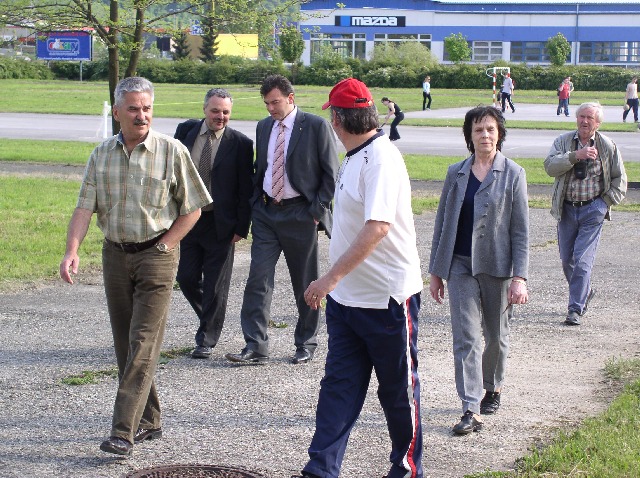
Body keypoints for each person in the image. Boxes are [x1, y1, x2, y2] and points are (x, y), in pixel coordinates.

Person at [59, 77, 211, 456]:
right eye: (133, 109)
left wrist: (167, 244)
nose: (141, 115)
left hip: (157, 255)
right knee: (126, 344)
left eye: (146, 108)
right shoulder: (101, 155)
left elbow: (193, 208)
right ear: (117, 112)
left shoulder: (172, 150)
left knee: (143, 341)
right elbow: (84, 207)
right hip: (115, 255)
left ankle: (122, 432)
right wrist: (72, 250)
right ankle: (150, 420)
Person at [294, 77, 424, 478]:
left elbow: (378, 227)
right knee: (339, 387)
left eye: (331, 116)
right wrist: (337, 286)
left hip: (387, 300)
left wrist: (328, 279)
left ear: (337, 119)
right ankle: (321, 469)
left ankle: (407, 468)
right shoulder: (353, 155)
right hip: (347, 302)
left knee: (397, 391)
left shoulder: (382, 158)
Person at [428, 106, 529, 435]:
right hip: (460, 265)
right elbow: (442, 223)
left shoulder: (513, 173)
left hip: (498, 267)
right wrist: (436, 272)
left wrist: (519, 277)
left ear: (499, 134)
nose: (484, 135)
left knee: (496, 336)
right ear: (469, 136)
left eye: (490, 129)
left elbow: (520, 231)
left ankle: (492, 387)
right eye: (478, 130)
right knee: (466, 337)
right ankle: (470, 407)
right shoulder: (456, 173)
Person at [225, 74, 339, 365]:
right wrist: (255, 203)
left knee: (305, 281)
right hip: (266, 212)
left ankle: (306, 342)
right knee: (258, 279)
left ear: (290, 98)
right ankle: (255, 345)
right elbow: (261, 167)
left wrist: (317, 211)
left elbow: (331, 174)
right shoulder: (264, 126)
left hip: (301, 214)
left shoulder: (315, 126)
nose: (270, 108)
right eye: (266, 103)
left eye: (275, 102)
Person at [174, 88, 254, 359]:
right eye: (215, 111)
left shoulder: (240, 144)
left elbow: (245, 189)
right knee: (186, 278)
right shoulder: (185, 131)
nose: (221, 116)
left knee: (215, 285)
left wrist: (241, 227)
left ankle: (206, 340)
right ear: (204, 109)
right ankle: (211, 317)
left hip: (221, 223)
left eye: (226, 112)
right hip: (188, 219)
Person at [544, 102, 627, 326]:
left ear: (598, 123)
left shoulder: (607, 146)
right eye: (581, 116)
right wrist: (575, 156)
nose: (584, 121)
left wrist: (604, 204)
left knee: (582, 261)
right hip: (566, 209)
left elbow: (620, 180)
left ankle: (575, 309)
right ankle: (585, 291)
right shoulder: (563, 141)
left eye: (590, 118)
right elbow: (550, 167)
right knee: (567, 260)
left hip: (592, 210)